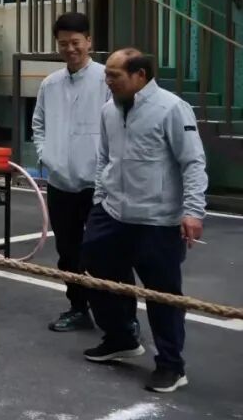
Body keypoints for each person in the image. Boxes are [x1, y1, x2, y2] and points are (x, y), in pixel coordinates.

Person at [81, 49, 207, 394]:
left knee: (162, 294)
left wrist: (193, 210)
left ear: (140, 75)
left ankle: (171, 365)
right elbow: (104, 158)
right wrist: (99, 199)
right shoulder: (109, 110)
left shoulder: (172, 108)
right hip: (113, 213)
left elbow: (193, 162)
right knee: (96, 270)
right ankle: (121, 337)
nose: (107, 81)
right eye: (106, 74)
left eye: (114, 75)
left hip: (157, 220)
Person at [32, 12, 111, 332]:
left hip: (98, 185)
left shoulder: (107, 79)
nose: (70, 49)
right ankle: (78, 308)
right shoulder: (50, 84)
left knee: (103, 252)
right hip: (60, 183)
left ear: (89, 41)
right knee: (67, 252)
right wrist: (46, 156)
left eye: (76, 42)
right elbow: (38, 124)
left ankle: (118, 318)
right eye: (63, 43)